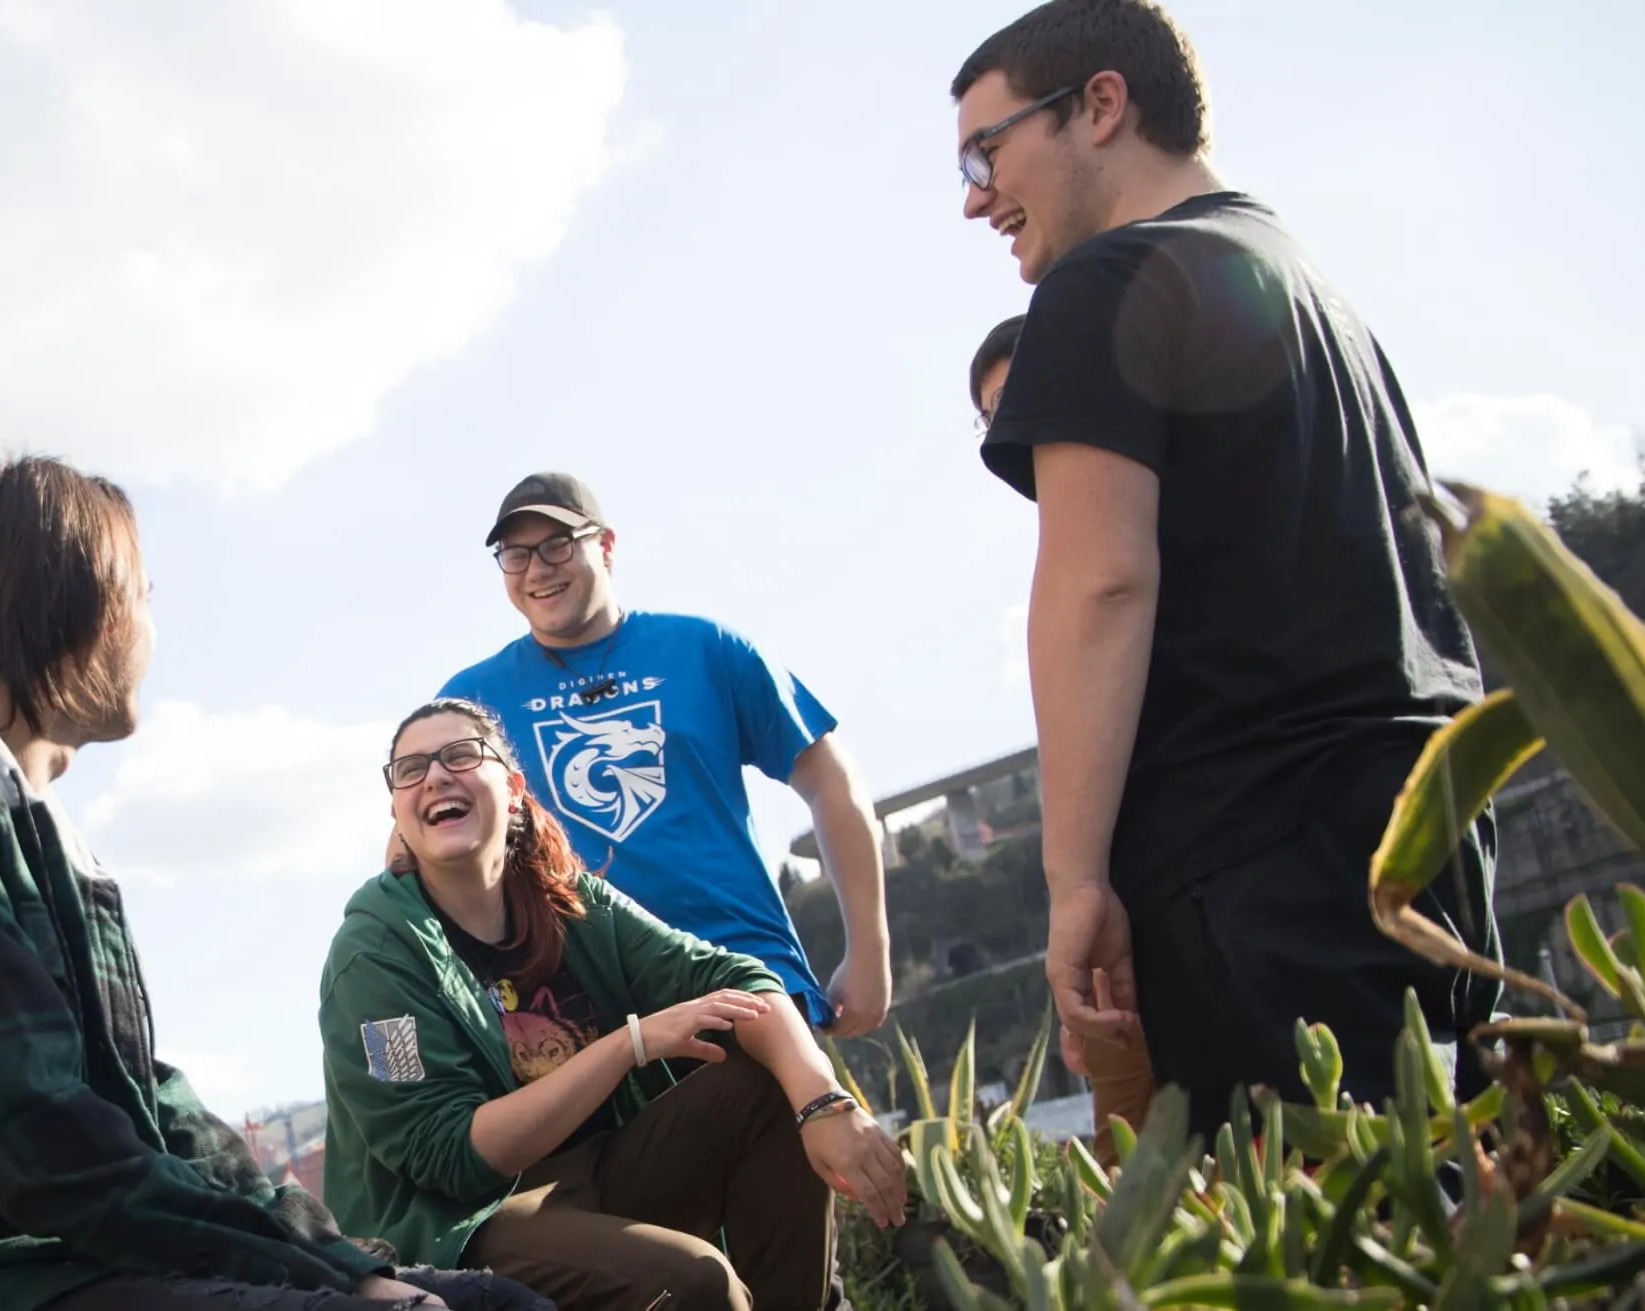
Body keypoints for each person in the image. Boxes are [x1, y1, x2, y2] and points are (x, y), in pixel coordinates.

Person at [0, 457, 548, 1311]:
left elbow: (149, 1105)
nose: (153, 634)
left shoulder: (32, 821)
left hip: (49, 1262)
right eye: (143, 596)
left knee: (499, 1306)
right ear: (70, 603)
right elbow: (21, 1126)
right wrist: (336, 1276)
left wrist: (332, 1252)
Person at [952, 0, 1498, 1131]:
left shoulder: (1104, 284)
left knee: (1318, 1245)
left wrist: (1075, 884)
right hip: (1430, 820)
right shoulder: (1306, 284)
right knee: (1455, 1214)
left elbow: (1100, 581)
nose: (973, 196)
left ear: (1099, 104)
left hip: (1256, 860)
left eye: (987, 149)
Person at [321, 697, 906, 1311]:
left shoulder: (568, 901)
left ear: (515, 790)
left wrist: (824, 1102)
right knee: (695, 1280)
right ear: (397, 812)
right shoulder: (372, 960)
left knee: (765, 1086)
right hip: (459, 1227)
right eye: (410, 769)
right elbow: (448, 1156)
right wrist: (629, 1046)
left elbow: (733, 977)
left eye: (461, 755)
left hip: (598, 1176)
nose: (435, 776)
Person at [429, 474, 893, 1039]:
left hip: (742, 976)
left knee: (807, 1123)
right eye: (516, 554)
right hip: (582, 1008)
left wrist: (870, 952)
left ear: (605, 545)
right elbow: (422, 848)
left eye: (557, 545)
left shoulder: (708, 649)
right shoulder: (472, 704)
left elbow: (829, 779)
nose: (537, 569)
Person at [971, 314, 1157, 1154]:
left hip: (1216, 906)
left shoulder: (1142, 540)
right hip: (1117, 939)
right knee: (1149, 1201)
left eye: (1021, 396)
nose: (1013, 428)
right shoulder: (1065, 562)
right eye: (993, 413)